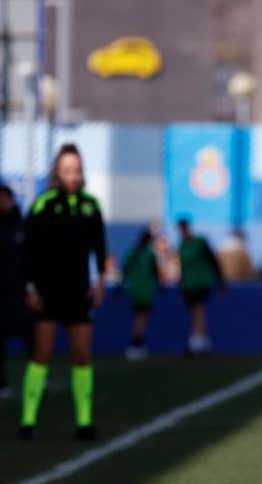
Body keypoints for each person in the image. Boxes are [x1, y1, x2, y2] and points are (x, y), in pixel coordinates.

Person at [18, 143, 107, 441]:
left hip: (78, 293)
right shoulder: (44, 204)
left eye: (77, 169)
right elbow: (27, 250)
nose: (73, 175)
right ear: (57, 171)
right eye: (67, 169)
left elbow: (100, 249)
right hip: (48, 293)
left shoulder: (90, 206)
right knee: (41, 353)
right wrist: (30, 287)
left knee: (82, 354)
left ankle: (85, 422)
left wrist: (99, 283)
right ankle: (28, 420)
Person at [177, 217, 225, 354]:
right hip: (188, 284)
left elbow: (213, 261)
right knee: (195, 311)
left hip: (201, 282)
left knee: (198, 309)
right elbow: (183, 267)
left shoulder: (200, 242)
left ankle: (196, 341)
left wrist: (220, 280)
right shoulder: (182, 245)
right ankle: (203, 341)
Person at [0, 184, 29, 400]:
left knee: (31, 336)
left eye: (4, 198)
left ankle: (36, 378)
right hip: (1, 293)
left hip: (20, 293)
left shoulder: (22, 225)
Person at [121, 228, 160, 360]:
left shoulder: (131, 252)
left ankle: (137, 343)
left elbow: (125, 270)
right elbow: (155, 273)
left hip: (134, 290)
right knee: (141, 317)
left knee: (139, 317)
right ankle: (137, 344)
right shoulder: (148, 254)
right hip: (145, 291)